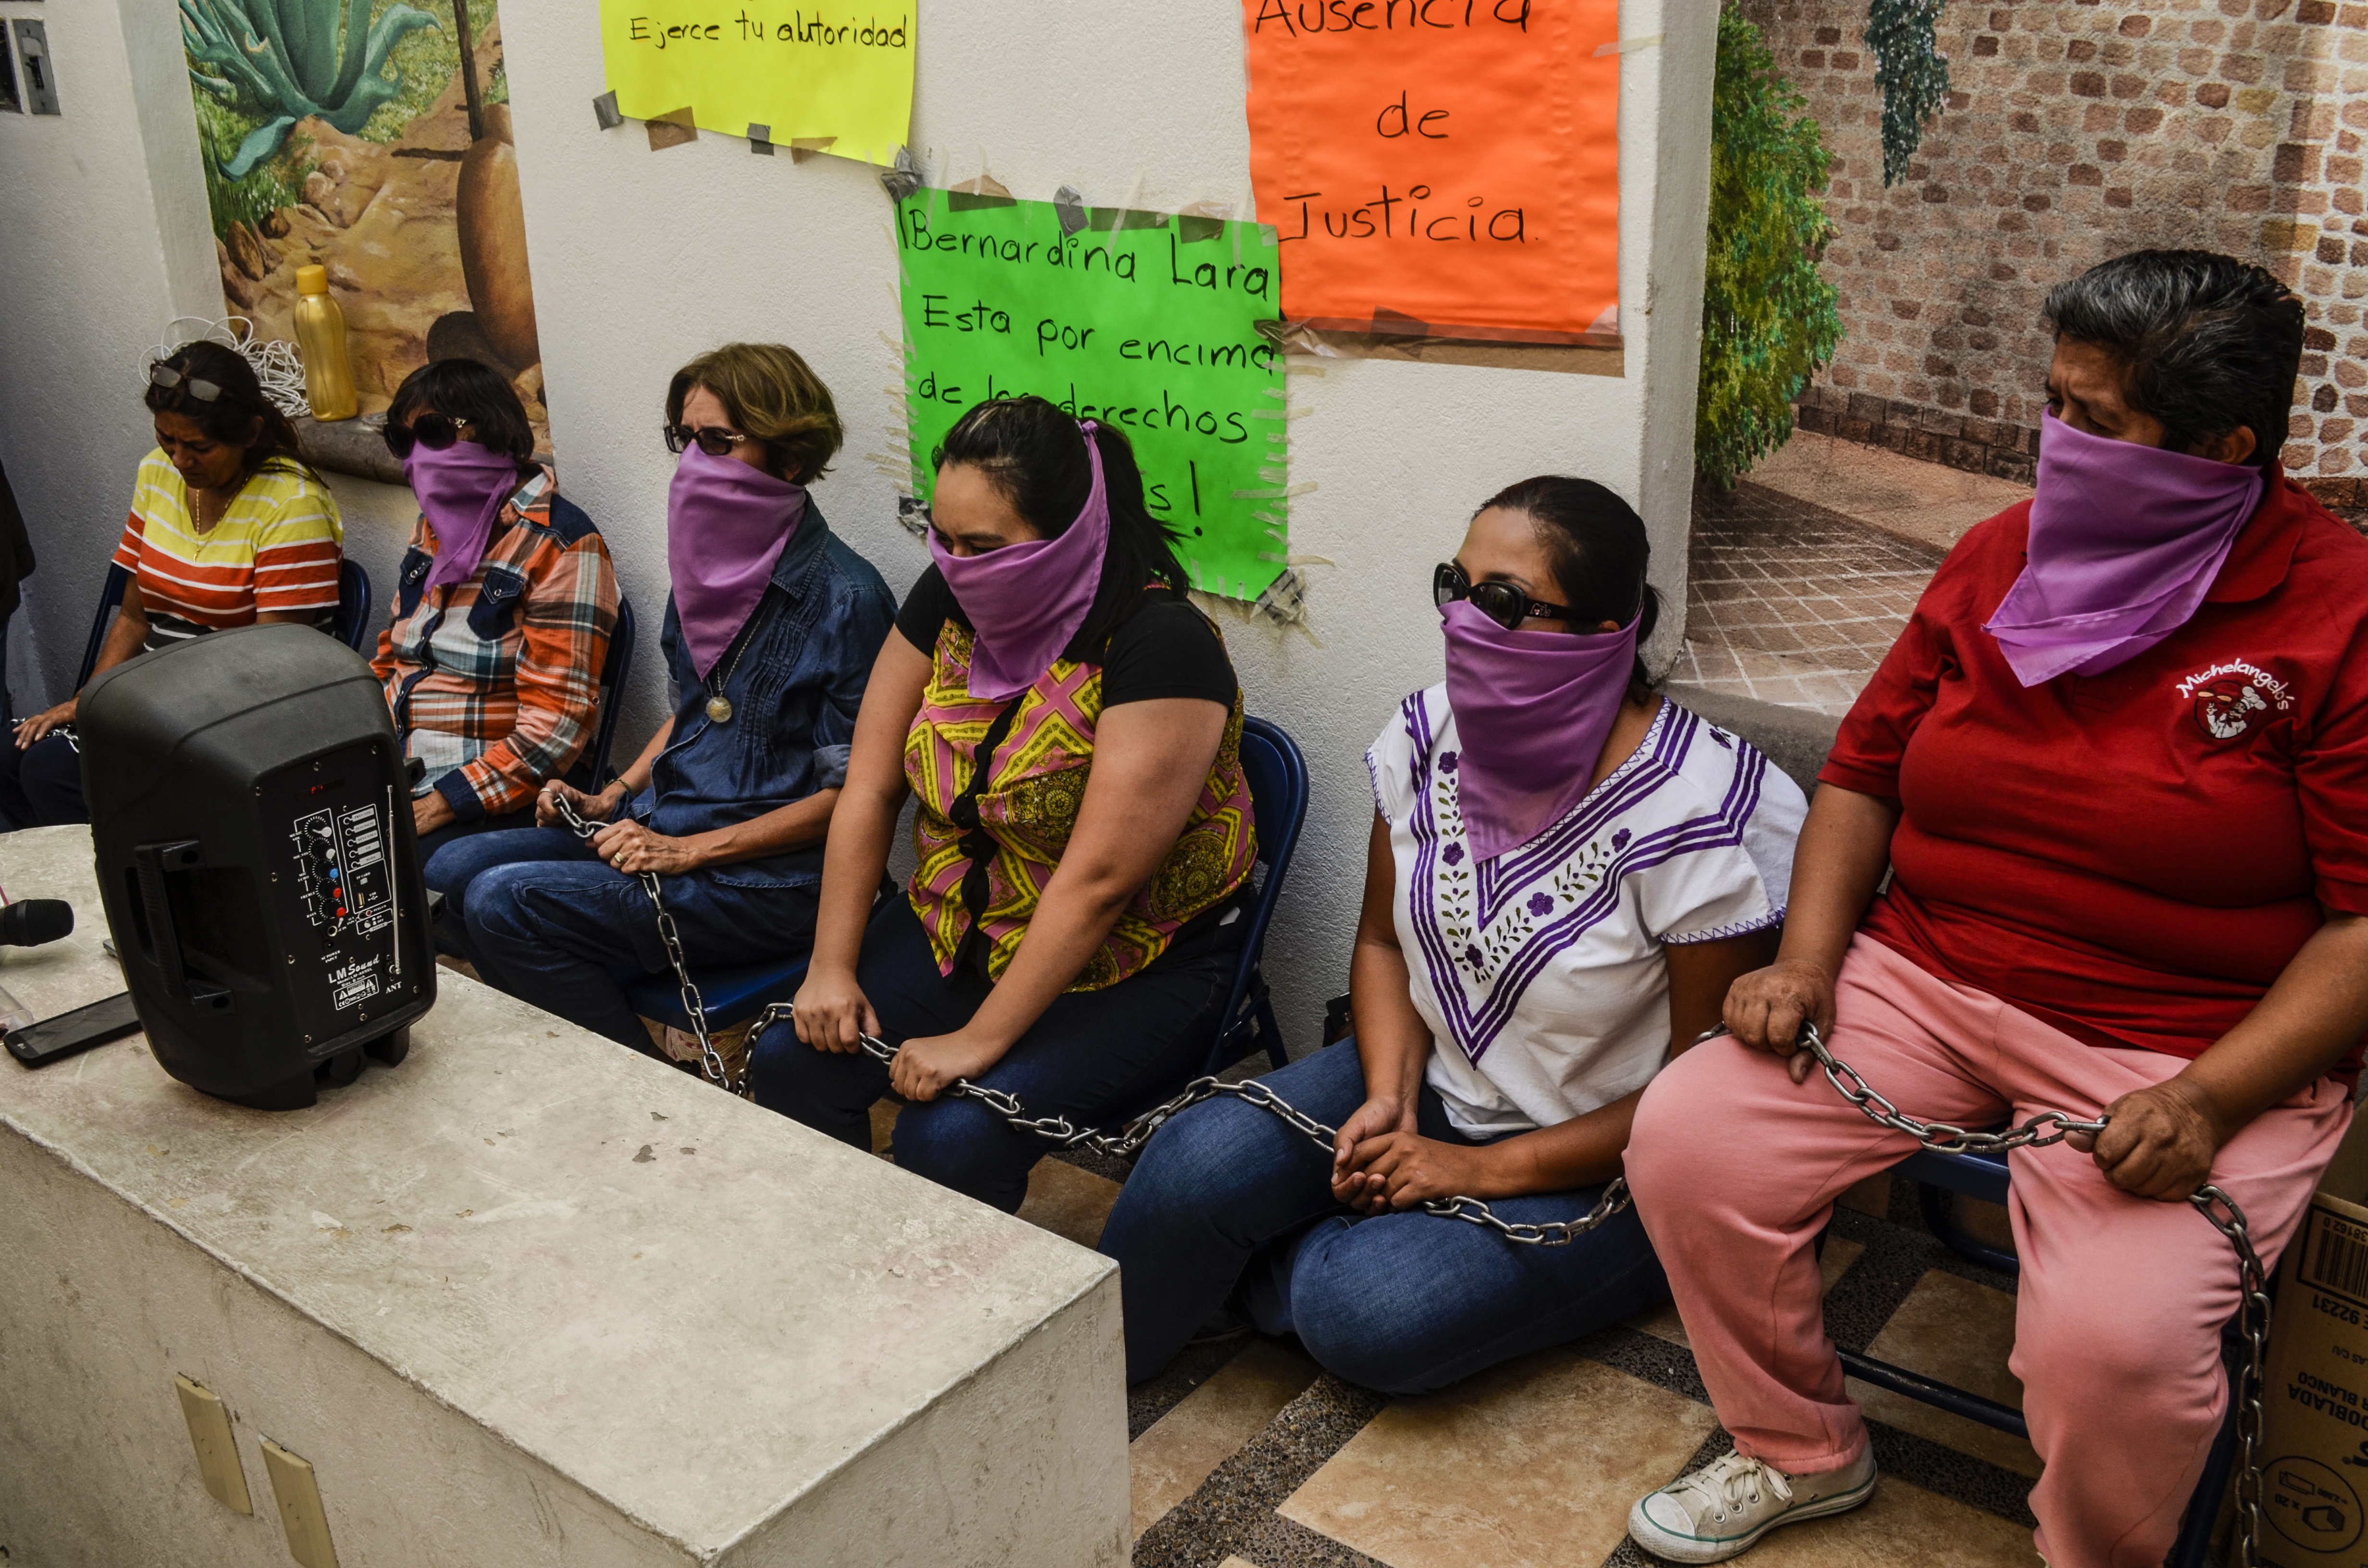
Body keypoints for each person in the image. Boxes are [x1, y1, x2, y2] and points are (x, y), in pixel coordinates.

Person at [1624, 250, 2368, 1568]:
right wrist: (1808, 961)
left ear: (2225, 448)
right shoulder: (2000, 554)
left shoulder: (2336, 612)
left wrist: (2206, 1100)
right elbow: (1859, 772)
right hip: (1925, 975)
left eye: (2100, 420)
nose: (2058, 443)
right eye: (2055, 403)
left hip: (2184, 1040)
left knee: (2115, 1346)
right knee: (1695, 1140)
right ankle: (1796, 1447)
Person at [1098, 478, 1808, 1394]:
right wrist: (1391, 1097)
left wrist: (1472, 1169)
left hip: (1618, 1164)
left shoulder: (1692, 813)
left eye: (1504, 601)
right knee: (1189, 1167)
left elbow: (1694, 1100)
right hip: (1432, 1081)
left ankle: (1278, 1259)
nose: (1464, 620)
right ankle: (1083, 1390)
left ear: (1604, 632)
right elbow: (1383, 945)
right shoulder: (1427, 733)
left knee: (1367, 1310)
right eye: (1455, 586)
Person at [760, 395, 1258, 1211]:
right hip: (966, 918)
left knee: (949, 1136)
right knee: (791, 1054)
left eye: (983, 546)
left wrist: (976, 1040)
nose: (956, 564)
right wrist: (830, 966)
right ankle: (845, 1249)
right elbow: (872, 782)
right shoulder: (953, 592)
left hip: (1131, 960)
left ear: (1068, 533)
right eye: (943, 539)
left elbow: (1097, 882)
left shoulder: (1160, 644)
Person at [434, 343, 894, 1053]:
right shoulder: (708, 574)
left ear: (791, 458)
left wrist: (688, 854)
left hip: (769, 882)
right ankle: (603, 1036)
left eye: (718, 442)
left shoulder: (849, 598)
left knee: (503, 904)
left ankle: (646, 1090)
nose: (692, 464)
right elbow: (692, 716)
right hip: (666, 828)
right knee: (451, 872)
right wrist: (610, 795)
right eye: (686, 441)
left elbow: (855, 799)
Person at [0, 340, 342, 828]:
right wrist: (89, 703)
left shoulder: (291, 505)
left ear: (250, 433)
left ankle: (127, 891)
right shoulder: (157, 473)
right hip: (153, 697)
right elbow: (135, 615)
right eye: (168, 440)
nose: (181, 460)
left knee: (53, 773)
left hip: (237, 719)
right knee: (10, 755)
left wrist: (143, 717)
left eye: (200, 447)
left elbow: (274, 669)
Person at [374, 358, 619, 871]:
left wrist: (441, 804)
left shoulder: (564, 546)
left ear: (496, 432)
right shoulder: (434, 528)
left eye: (435, 433)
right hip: (396, 770)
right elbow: (391, 659)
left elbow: (556, 725)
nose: (418, 458)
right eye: (403, 441)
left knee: (383, 877)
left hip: (489, 795)